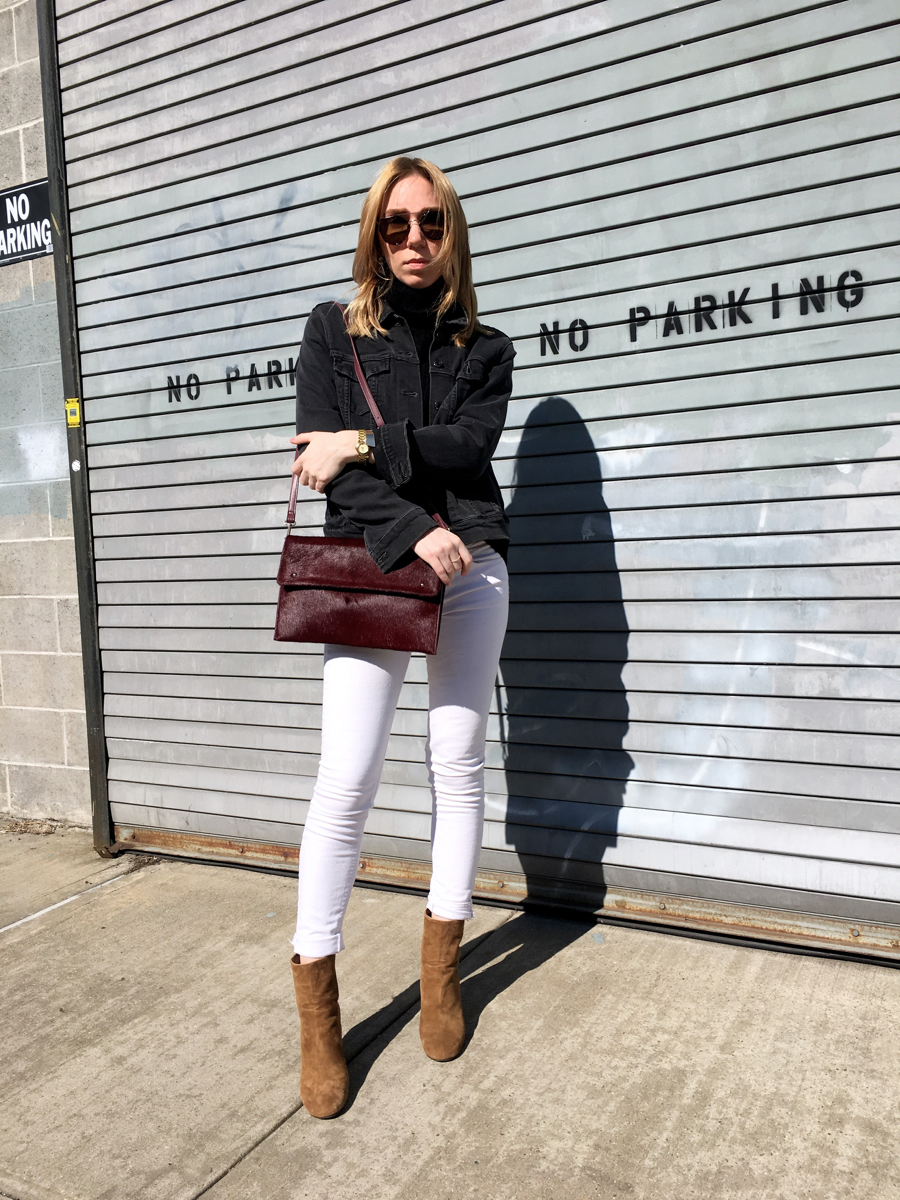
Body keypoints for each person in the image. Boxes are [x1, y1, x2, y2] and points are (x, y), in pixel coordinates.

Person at [287, 157, 515, 1118]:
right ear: (374, 233)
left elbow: (469, 444)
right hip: (377, 567)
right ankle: (317, 1015)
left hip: (475, 568)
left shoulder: (486, 343)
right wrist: (411, 528)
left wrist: (371, 444)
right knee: (348, 778)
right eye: (395, 225)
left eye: (429, 223)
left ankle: (440, 975)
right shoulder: (333, 333)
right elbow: (317, 461)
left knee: (457, 766)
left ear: (450, 230)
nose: (414, 239)